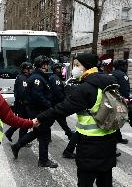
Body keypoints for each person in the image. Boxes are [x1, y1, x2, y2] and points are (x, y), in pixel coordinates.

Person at [35, 53, 117, 187]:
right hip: (109, 141)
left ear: (86, 67)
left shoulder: (86, 88)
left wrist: (40, 118)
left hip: (90, 145)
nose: (74, 68)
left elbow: (61, 109)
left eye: (77, 65)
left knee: (85, 181)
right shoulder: (110, 81)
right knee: (105, 180)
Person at [11, 56, 58, 168]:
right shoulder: (36, 78)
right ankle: (43, 160)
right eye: (44, 65)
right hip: (39, 111)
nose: (46, 67)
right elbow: (38, 96)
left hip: (38, 110)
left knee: (38, 132)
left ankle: (17, 146)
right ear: (39, 65)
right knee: (44, 134)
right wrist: (49, 106)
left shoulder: (39, 77)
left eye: (47, 64)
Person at [5, 62, 32, 142]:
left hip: (23, 104)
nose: (31, 70)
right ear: (25, 69)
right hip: (23, 104)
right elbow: (22, 92)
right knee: (25, 122)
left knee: (21, 121)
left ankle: (9, 133)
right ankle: (21, 139)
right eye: (29, 69)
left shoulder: (25, 77)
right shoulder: (22, 78)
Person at [49, 63, 73, 140]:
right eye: (60, 69)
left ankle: (69, 133)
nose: (62, 70)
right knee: (57, 120)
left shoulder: (54, 77)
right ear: (57, 69)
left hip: (55, 104)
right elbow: (58, 92)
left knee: (59, 120)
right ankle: (69, 134)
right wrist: (64, 100)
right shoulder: (55, 78)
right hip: (56, 104)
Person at [111, 59, 130, 144]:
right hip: (120, 100)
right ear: (121, 66)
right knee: (117, 120)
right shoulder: (122, 75)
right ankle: (115, 138)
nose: (126, 67)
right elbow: (124, 89)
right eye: (125, 65)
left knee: (116, 119)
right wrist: (127, 98)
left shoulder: (112, 73)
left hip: (112, 99)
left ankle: (118, 137)